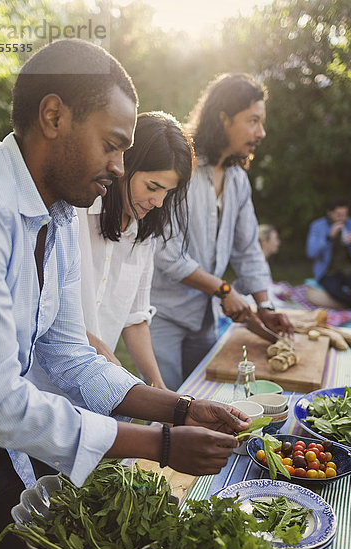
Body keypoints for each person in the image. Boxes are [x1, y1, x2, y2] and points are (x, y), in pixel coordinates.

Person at [0, 40, 250, 549]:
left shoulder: (60, 212)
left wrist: (183, 407)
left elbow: (69, 355)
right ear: (54, 116)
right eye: (113, 146)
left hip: (1, 462)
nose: (119, 167)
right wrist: (161, 444)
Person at [150, 73, 293, 391]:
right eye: (253, 121)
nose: (262, 132)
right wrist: (225, 291)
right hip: (163, 315)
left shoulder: (238, 180)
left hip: (205, 316)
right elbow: (166, 253)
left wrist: (265, 306)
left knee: (204, 400)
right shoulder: (180, 166)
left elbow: (248, 250)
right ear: (223, 118)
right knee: (167, 406)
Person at [78, 111, 192, 389]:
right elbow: (49, 308)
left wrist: (159, 388)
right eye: (153, 187)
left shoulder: (143, 234)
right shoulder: (76, 214)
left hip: (91, 385)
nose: (159, 202)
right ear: (123, 166)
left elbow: (135, 318)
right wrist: (108, 362)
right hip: (39, 382)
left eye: (168, 192)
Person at [306, 197, 351, 308]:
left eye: (345, 214)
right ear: (330, 213)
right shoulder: (317, 226)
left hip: (349, 268)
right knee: (336, 293)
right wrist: (329, 238)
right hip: (328, 271)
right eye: (339, 215)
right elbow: (311, 252)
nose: (342, 218)